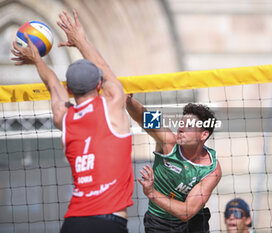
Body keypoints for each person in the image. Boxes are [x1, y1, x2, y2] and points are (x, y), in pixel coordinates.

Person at [11, 9, 133, 233]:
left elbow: (52, 86)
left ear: (70, 89)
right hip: (108, 223)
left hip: (74, 222)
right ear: (99, 85)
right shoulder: (112, 106)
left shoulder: (64, 118)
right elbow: (104, 69)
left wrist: (37, 59)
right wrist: (80, 41)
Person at [126, 96, 222, 233]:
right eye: (181, 124)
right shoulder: (168, 142)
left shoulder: (212, 169)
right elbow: (143, 117)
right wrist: (128, 101)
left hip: (192, 222)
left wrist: (152, 193)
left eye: (188, 126)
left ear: (203, 135)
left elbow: (186, 212)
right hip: (159, 221)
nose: (181, 129)